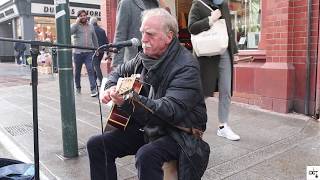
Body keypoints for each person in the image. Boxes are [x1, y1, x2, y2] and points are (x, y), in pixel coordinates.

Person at [87, 8, 210, 180]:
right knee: (97, 144)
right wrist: (111, 87)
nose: (143, 39)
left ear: (169, 36)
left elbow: (170, 110)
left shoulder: (186, 66)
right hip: (149, 127)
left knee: (147, 155)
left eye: (150, 34)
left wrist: (128, 100)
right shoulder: (142, 57)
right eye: (142, 33)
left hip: (179, 134)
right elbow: (117, 72)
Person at [188, 0, 240, 141]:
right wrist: (210, 19)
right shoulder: (198, 4)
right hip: (206, 55)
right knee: (202, 92)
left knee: (226, 90)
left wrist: (233, 51)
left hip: (224, 52)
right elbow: (192, 28)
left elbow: (229, 29)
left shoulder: (223, 4)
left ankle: (223, 126)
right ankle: (191, 121)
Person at [111, 0, 159, 68]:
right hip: (134, 62)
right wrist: (117, 67)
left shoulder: (156, 4)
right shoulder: (127, 3)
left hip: (155, 63)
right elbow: (120, 35)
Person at [71, 10, 99, 97]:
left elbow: (94, 38)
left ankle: (93, 89)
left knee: (91, 70)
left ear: (87, 16)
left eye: (84, 15)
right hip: (77, 53)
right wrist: (76, 23)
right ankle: (78, 87)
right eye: (81, 16)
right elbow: (69, 32)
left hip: (89, 53)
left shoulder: (91, 26)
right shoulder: (75, 26)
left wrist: (97, 48)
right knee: (77, 72)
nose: (83, 17)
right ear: (78, 17)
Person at [89, 17, 109, 87]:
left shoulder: (91, 30)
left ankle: (101, 81)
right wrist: (107, 52)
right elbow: (106, 41)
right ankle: (94, 81)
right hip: (101, 51)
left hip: (94, 51)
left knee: (96, 66)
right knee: (95, 66)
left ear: (91, 23)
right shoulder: (102, 30)